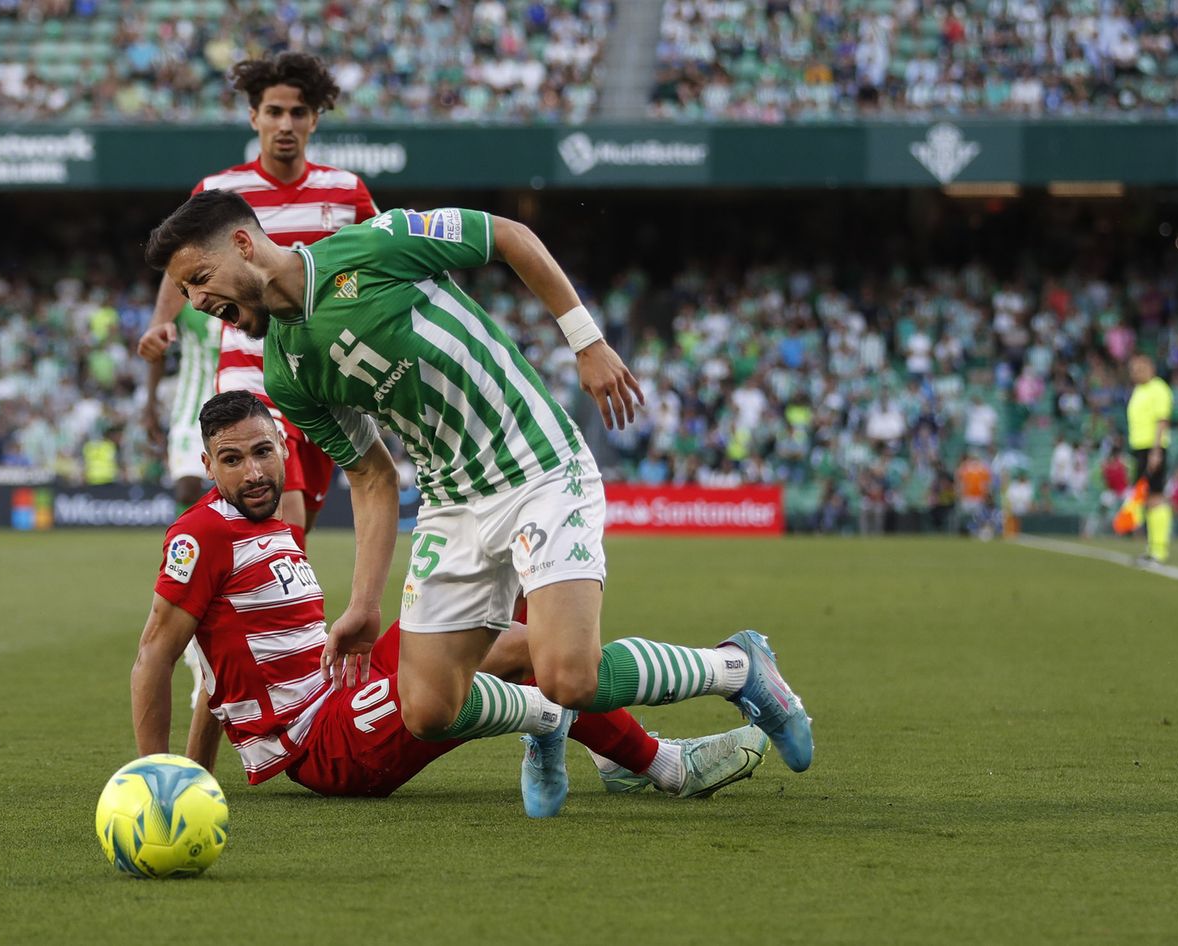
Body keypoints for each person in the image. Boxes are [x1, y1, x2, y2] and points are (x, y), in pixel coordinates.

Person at [142, 193, 814, 816]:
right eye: (186, 292)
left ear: (242, 243)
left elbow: (510, 236)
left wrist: (587, 340)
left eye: (199, 278)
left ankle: (738, 665)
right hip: (452, 503)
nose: (197, 301)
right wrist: (365, 603)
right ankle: (543, 723)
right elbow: (373, 476)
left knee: (569, 675)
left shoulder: (373, 245)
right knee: (429, 708)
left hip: (537, 463)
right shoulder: (286, 373)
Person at [129, 392, 770, 811]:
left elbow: (220, 674)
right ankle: (661, 760)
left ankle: (616, 749)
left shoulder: (270, 527)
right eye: (233, 460)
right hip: (321, 745)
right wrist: (163, 779)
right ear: (209, 465)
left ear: (285, 449)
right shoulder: (202, 533)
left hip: (345, 685)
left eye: (263, 452)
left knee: (507, 616)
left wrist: (198, 771)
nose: (254, 472)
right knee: (513, 668)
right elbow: (157, 657)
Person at [136, 51, 377, 532]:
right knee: (273, 523)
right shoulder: (221, 191)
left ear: (314, 119)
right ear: (254, 116)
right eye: (274, 111)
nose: (285, 123)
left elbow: (376, 271)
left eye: (297, 112)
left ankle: (276, 607)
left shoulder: (346, 192)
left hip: (326, 382)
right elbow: (179, 268)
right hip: (252, 379)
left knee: (293, 534)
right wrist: (162, 322)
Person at [1124, 355, 1175, 564]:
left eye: (1139, 368)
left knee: (1155, 496)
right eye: (1133, 369)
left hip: (1152, 448)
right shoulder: (1138, 390)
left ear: (1150, 367)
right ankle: (1152, 546)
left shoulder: (1158, 388)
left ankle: (1159, 549)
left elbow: (1162, 420)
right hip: (1139, 448)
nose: (1135, 372)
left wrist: (1156, 451)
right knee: (1146, 497)